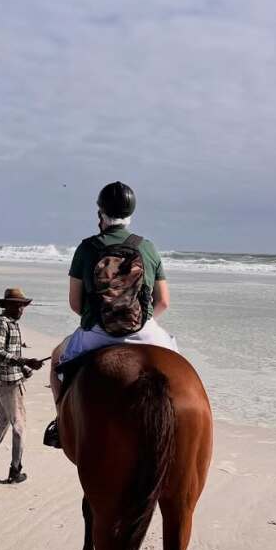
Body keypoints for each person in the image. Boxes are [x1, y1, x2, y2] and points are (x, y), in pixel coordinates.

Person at [44, 182, 177, 445]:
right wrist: (139, 321)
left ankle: (61, 424)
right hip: (145, 331)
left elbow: (75, 303)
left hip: (98, 332)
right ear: (131, 213)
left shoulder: (87, 248)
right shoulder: (147, 247)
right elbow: (163, 302)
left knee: (57, 358)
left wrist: (103, 316)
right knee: (178, 367)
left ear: (100, 213)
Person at [0, 287, 44, 483]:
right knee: (20, 426)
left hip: (2, 380)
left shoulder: (11, 323)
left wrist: (25, 368)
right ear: (8, 306)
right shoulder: (2, 323)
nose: (21, 310)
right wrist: (25, 361)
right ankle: (15, 470)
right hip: (7, 383)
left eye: (22, 306)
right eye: (18, 306)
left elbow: (11, 354)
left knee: (3, 421)